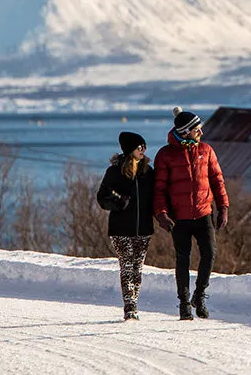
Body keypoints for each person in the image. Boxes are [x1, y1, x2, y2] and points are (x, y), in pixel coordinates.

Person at [153, 107, 229, 320]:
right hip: (180, 219)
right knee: (182, 260)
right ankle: (184, 303)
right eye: (197, 129)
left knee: (210, 254)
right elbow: (159, 189)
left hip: (204, 214)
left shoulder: (206, 150)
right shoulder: (166, 155)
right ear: (186, 131)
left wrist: (223, 208)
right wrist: (161, 214)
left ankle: (200, 295)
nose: (201, 133)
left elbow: (217, 180)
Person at [96, 131, 155, 321]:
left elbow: (157, 197)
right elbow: (102, 197)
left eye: (144, 147)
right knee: (127, 265)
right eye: (140, 147)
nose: (143, 150)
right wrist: (119, 201)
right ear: (130, 150)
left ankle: (134, 303)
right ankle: (129, 306)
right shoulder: (114, 171)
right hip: (120, 229)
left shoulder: (148, 172)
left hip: (144, 228)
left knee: (138, 267)